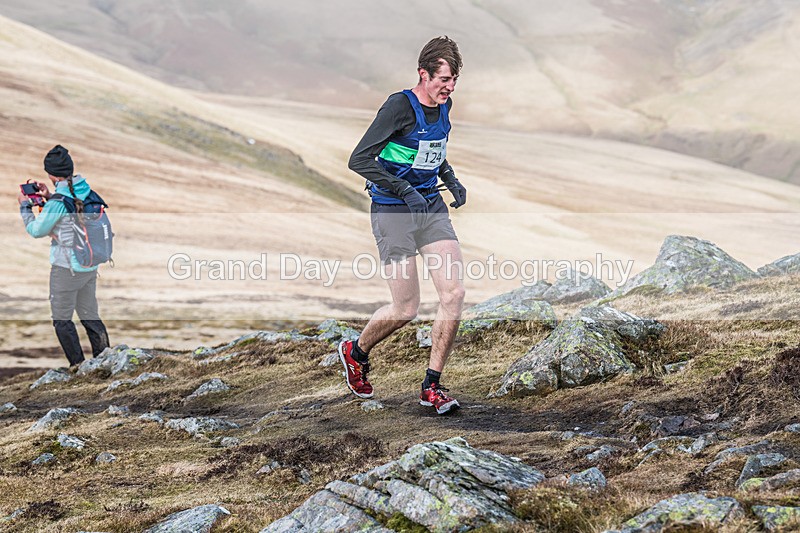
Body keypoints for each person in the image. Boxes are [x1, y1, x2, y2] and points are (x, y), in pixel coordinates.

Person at [341, 36, 467, 415]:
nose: (449, 87)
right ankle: (356, 351)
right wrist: (403, 190)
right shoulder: (399, 106)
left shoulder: (444, 106)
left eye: (454, 80)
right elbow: (359, 159)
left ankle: (432, 386)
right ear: (423, 74)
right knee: (406, 307)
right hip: (393, 209)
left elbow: (433, 150)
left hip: (430, 207)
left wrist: (451, 179)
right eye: (443, 79)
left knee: (453, 294)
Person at [18, 145, 110, 368]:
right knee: (90, 315)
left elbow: (36, 231)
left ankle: (77, 367)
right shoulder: (85, 189)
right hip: (89, 266)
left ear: (52, 175)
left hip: (66, 269)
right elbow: (71, 207)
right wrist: (50, 196)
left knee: (61, 320)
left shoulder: (58, 203)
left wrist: (25, 208)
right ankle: (106, 361)